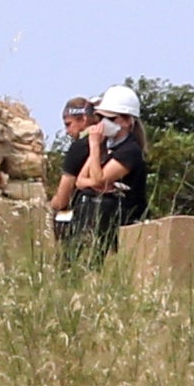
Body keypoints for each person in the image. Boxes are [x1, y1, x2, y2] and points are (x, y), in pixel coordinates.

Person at [69, 84, 148, 260]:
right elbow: (81, 181)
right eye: (101, 117)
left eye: (111, 118)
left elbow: (98, 179)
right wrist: (97, 151)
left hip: (124, 220)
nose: (104, 123)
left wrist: (94, 146)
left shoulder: (130, 151)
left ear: (127, 121)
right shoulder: (106, 145)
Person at [48, 97, 95, 241]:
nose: (67, 131)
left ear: (83, 119)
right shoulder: (109, 141)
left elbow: (62, 198)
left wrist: (48, 208)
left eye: (69, 124)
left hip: (83, 218)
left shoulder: (78, 148)